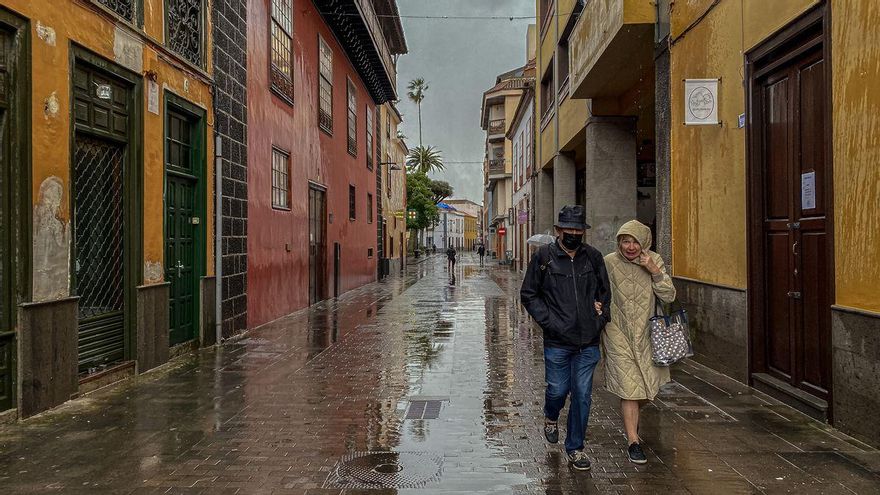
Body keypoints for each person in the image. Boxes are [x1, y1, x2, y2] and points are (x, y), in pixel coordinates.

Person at [520, 205, 610, 471]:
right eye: (568, 229)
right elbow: (529, 294)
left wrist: (599, 318)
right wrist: (550, 323)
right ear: (559, 230)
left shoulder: (593, 257)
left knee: (582, 395)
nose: (572, 234)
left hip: (587, 343)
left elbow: (605, 293)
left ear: (583, 232)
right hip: (557, 342)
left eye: (577, 230)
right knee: (558, 390)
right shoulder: (544, 257)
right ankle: (551, 416)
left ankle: (576, 448)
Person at [602, 220, 676, 465]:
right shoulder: (609, 262)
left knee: (647, 388)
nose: (630, 246)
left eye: (634, 241)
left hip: (648, 333)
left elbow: (669, 296)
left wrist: (654, 270)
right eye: (625, 241)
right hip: (617, 332)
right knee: (629, 387)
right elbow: (598, 291)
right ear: (619, 242)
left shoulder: (654, 260)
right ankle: (633, 441)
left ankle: (630, 417)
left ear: (644, 242)